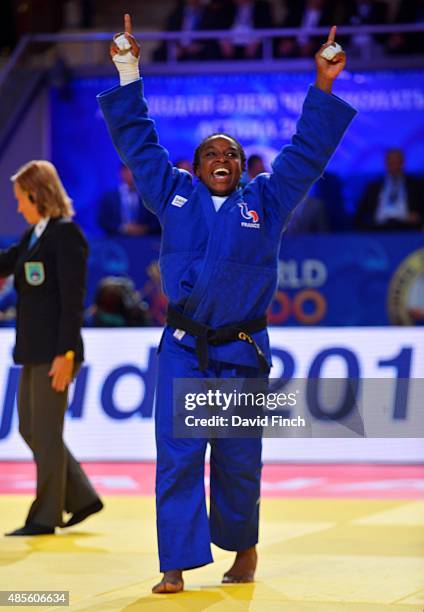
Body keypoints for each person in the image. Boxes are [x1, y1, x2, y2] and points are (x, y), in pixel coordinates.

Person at [98, 14, 355, 592]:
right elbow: (138, 140)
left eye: (232, 155)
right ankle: (174, 564)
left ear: (243, 168)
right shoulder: (174, 193)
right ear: (195, 163)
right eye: (211, 153)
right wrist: (126, 67)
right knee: (179, 455)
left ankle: (244, 551)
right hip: (186, 347)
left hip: (241, 349)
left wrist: (325, 84)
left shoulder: (267, 199)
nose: (222, 160)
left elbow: (306, 153)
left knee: (238, 461)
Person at [0, 160, 103, 536]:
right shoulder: (33, 235)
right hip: (31, 350)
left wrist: (67, 354)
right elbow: (6, 262)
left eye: (19, 199)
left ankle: (44, 517)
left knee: (43, 432)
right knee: (31, 428)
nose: (17, 207)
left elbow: (73, 302)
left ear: (35, 194)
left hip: (56, 352)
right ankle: (82, 496)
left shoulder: (65, 235)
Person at [355, 149, 424, 231]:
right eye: (391, 163)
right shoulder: (373, 187)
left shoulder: (417, 185)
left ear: (403, 163)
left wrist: (419, 217)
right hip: (378, 229)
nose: (394, 166)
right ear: (386, 164)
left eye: (397, 162)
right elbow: (360, 215)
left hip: (407, 228)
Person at [97, 163, 161, 236]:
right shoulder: (110, 196)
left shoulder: (150, 196)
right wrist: (123, 228)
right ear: (122, 173)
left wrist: (143, 229)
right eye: (128, 170)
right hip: (117, 240)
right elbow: (103, 221)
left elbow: (157, 222)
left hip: (145, 240)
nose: (132, 174)